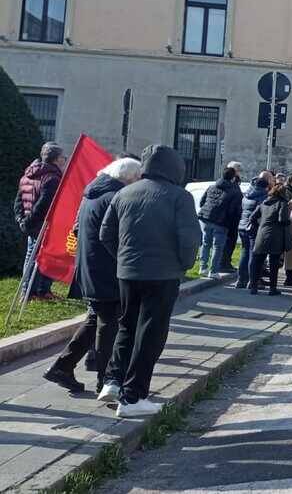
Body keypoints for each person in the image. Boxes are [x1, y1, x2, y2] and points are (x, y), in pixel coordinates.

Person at [98, 145, 200, 417]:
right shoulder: (180, 196)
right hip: (163, 274)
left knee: (127, 326)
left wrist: (123, 258)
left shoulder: (124, 192)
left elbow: (106, 234)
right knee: (151, 333)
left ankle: (112, 380)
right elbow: (189, 239)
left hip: (128, 272)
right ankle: (133, 398)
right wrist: (184, 265)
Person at [43, 157, 142, 395]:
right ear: (128, 178)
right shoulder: (114, 198)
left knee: (95, 320)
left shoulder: (92, 193)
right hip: (107, 270)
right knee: (109, 325)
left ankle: (62, 367)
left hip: (90, 266)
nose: (138, 183)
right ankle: (106, 380)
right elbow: (117, 237)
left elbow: (78, 229)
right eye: (137, 178)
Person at [15, 142, 67, 300]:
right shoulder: (51, 178)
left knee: (32, 256)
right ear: (57, 159)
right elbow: (43, 206)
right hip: (42, 225)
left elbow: (18, 201)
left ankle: (39, 290)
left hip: (30, 224)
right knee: (38, 258)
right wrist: (28, 222)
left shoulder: (27, 174)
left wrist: (21, 220)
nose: (65, 160)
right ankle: (31, 292)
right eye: (63, 157)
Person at [197, 167, 242, 278]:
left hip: (206, 218)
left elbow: (202, 202)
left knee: (206, 243)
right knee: (218, 246)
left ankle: (202, 268)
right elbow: (233, 210)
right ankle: (213, 271)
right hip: (221, 222)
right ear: (233, 178)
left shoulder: (212, 186)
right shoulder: (235, 191)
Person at [248, 183, 290, 296]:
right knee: (274, 264)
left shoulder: (263, 203)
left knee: (257, 261)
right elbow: (283, 220)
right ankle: (272, 288)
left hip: (262, 234)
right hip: (276, 236)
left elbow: (252, 217)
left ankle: (253, 286)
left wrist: (261, 224)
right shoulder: (282, 203)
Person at [235, 173, 269, 289]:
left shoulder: (247, 195)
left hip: (242, 226)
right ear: (265, 187)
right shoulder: (263, 197)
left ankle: (240, 280)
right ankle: (252, 281)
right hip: (253, 227)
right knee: (253, 255)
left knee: (244, 253)